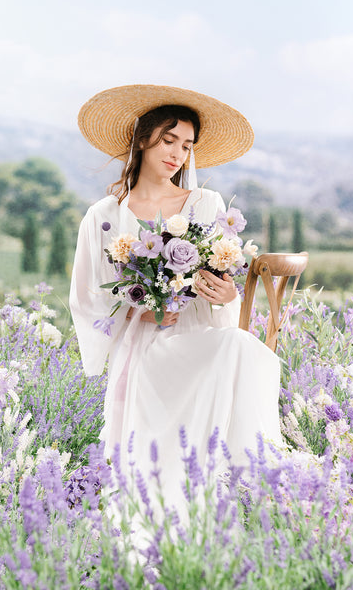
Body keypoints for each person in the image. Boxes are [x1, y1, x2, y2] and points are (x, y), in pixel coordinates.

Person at [69, 84, 283, 510]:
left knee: (243, 346)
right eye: (169, 140)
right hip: (141, 346)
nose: (177, 154)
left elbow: (223, 285)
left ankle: (249, 484)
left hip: (198, 337)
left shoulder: (204, 204)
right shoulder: (105, 216)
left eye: (186, 146)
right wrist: (140, 313)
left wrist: (224, 295)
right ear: (142, 138)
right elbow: (88, 297)